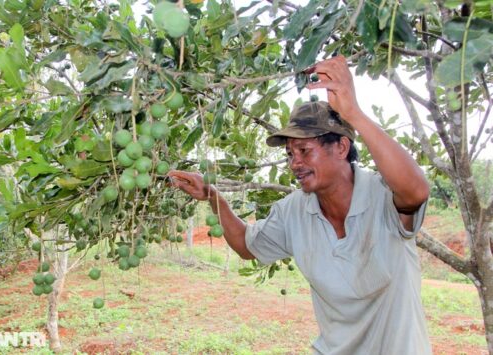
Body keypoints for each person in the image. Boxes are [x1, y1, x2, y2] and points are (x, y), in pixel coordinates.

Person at [168, 56, 432, 355]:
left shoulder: (382, 194)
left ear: (342, 147)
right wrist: (213, 196)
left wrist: (353, 113)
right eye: (290, 154)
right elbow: (245, 245)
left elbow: (415, 191)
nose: (295, 163)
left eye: (304, 150)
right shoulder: (294, 210)